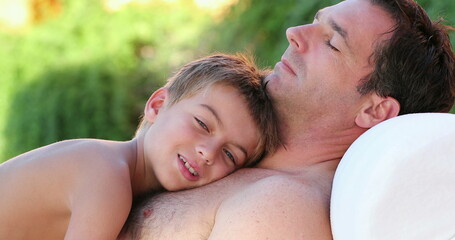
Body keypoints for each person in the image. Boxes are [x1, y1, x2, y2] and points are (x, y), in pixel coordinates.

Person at [118, 0, 455, 239]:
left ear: (373, 111)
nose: (294, 32)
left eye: (331, 42)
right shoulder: (227, 148)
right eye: (315, 20)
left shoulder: (281, 209)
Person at [0, 54, 280, 239]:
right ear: (157, 106)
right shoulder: (106, 176)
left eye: (230, 154)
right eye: (202, 124)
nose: (208, 152)